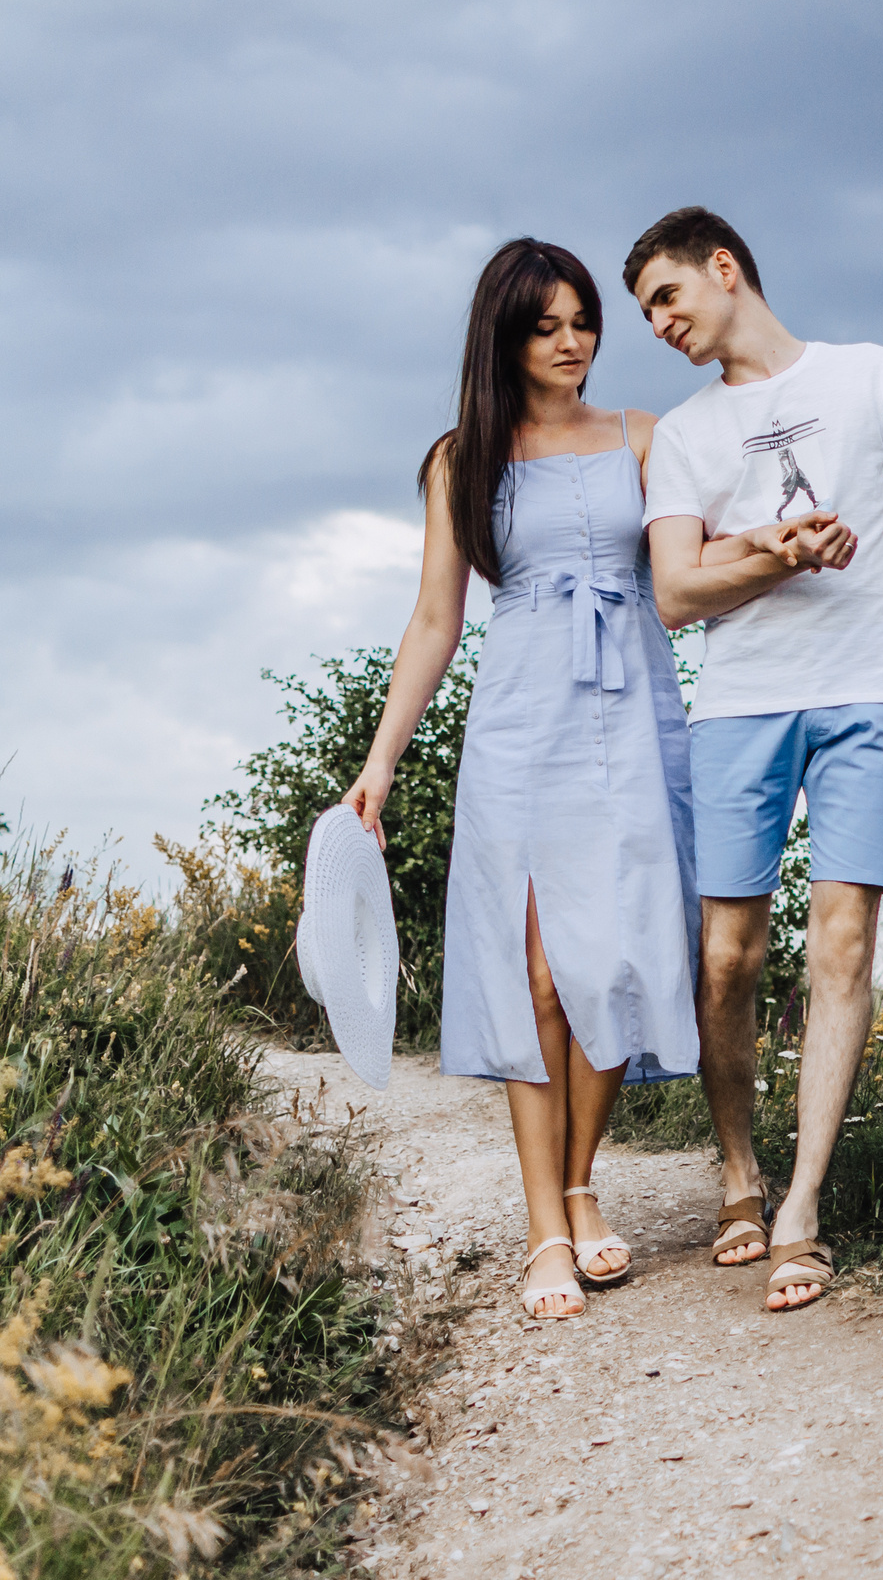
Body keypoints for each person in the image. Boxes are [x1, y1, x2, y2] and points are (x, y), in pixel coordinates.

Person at [342, 238, 827, 1319]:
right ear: (505, 339)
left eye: (582, 321)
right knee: (538, 978)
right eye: (546, 326)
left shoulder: (645, 438)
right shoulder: (459, 456)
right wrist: (380, 763)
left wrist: (780, 545)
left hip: (634, 713)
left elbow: (697, 561)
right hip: (521, 716)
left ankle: (577, 1179)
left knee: (609, 961)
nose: (572, 343)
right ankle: (546, 1230)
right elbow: (434, 619)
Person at [628, 206, 883, 1313]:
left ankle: (800, 1211)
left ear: (725, 269)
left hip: (870, 691)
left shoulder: (873, 376)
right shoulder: (683, 435)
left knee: (843, 938)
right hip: (739, 705)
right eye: (647, 313)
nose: (661, 323)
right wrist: (778, 552)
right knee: (727, 954)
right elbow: (676, 593)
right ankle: (736, 1174)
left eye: (669, 296)